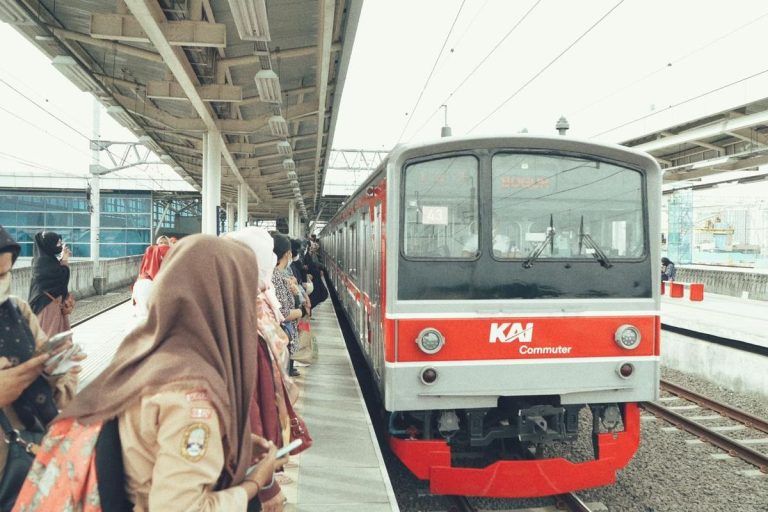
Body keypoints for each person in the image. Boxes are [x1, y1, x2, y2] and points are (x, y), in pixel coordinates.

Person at [40, 235, 285, 511]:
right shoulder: (192, 396)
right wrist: (255, 484)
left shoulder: (145, 355)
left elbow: (151, 444)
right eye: (247, 295)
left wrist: (227, 442)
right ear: (225, 303)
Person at [0, 226, 79, 504]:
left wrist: (56, 372)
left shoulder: (17, 312)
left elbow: (65, 389)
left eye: (4, 274)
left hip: (27, 462)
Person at [271, 234, 304, 377]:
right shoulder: (275, 276)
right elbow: (283, 313)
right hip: (281, 340)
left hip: (283, 340)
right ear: (287, 253)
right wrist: (300, 312)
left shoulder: (278, 275)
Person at [28, 231, 72, 336]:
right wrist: (65, 260)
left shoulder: (48, 259)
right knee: (50, 334)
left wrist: (62, 259)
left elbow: (57, 273)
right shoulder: (42, 262)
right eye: (58, 243)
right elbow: (61, 277)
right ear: (49, 244)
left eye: (60, 242)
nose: (60, 245)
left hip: (53, 304)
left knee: (57, 335)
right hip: (47, 306)